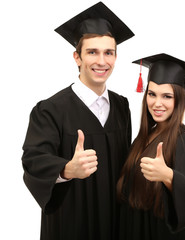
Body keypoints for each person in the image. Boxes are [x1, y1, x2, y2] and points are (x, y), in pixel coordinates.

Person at [22, 2, 134, 240]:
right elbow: (33, 161)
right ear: (77, 57)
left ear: (115, 56)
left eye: (109, 52)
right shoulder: (50, 110)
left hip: (116, 224)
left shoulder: (122, 106)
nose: (101, 61)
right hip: (70, 225)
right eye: (92, 52)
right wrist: (66, 169)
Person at [117, 53, 185, 239]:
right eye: (152, 94)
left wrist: (169, 176)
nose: (157, 103)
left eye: (167, 96)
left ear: (179, 100)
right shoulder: (144, 137)